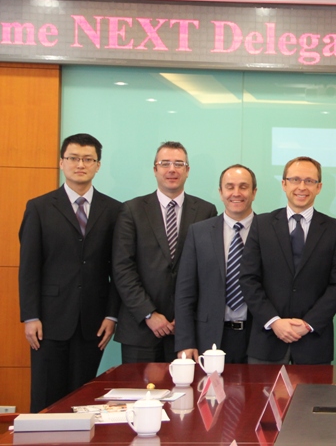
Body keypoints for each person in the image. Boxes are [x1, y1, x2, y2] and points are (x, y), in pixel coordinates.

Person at [18, 133, 121, 413]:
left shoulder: (114, 210)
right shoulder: (39, 207)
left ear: (98, 165)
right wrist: (30, 316)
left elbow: (118, 269)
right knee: (46, 398)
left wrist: (112, 315)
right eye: (73, 158)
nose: (80, 164)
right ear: (62, 162)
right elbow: (29, 267)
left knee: (83, 399)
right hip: (48, 321)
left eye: (88, 159)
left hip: (93, 321)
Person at [112, 141, 217, 363]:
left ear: (187, 170)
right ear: (155, 169)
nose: (172, 169)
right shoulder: (132, 210)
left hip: (187, 332)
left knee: (187, 386)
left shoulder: (206, 211)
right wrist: (148, 313)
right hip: (141, 329)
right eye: (165, 163)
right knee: (137, 386)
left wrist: (185, 318)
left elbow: (208, 272)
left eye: (179, 164)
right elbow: (122, 268)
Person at [239, 156, 336, 364]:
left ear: (319, 187)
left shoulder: (335, 229)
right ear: (284, 184)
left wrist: (308, 324)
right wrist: (274, 321)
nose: (302, 187)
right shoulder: (262, 224)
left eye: (309, 181)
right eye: (295, 179)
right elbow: (248, 279)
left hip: (313, 343)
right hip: (267, 341)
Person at [175, 165, 258, 363]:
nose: (236, 193)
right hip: (209, 337)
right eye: (229, 187)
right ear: (220, 192)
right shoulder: (199, 232)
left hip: (258, 337)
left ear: (254, 192)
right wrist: (185, 341)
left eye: (243, 187)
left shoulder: (269, 231)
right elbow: (185, 292)